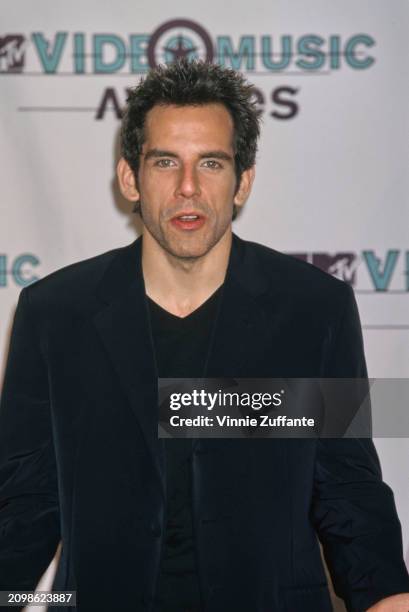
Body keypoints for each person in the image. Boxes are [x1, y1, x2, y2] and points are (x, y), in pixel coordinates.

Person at [0, 58, 408, 612]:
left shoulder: (315, 310)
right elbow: (26, 502)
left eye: (211, 163)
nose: (188, 187)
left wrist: (387, 594)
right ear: (130, 178)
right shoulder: (54, 313)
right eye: (165, 161)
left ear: (243, 182)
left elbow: (346, 485)